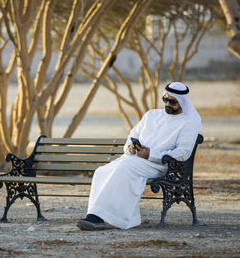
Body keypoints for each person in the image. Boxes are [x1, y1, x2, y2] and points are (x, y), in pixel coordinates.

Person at [77, 82, 202, 231]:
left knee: (122, 169)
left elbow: (183, 153)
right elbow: (133, 135)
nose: (168, 104)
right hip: (134, 158)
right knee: (101, 171)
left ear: (182, 102)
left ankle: (100, 218)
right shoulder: (151, 115)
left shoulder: (188, 123)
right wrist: (130, 147)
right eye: (165, 99)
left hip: (160, 165)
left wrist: (151, 154)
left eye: (172, 102)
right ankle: (95, 215)